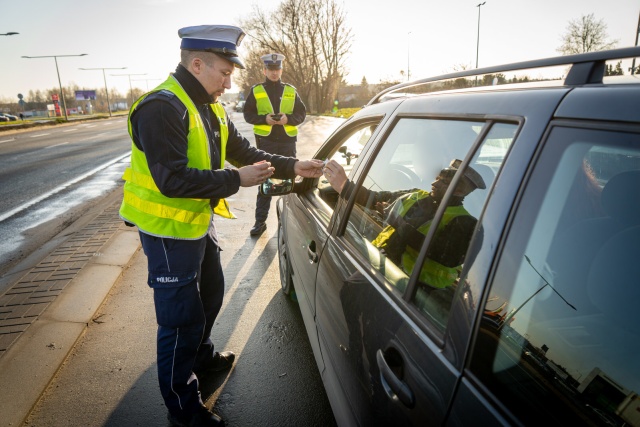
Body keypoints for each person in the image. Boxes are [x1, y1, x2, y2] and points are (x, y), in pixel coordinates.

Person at [119, 25, 323, 427]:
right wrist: (236, 180)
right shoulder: (162, 107)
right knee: (180, 320)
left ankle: (203, 356)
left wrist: (291, 165)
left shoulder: (208, 105)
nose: (230, 83)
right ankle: (184, 409)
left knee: (211, 295)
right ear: (197, 64)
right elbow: (171, 179)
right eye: (225, 73)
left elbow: (241, 149)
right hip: (166, 233)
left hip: (196, 223)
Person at [323, 158, 485, 288]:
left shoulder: (467, 223)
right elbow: (373, 198)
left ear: (459, 191)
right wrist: (344, 185)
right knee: (350, 290)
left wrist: (396, 222)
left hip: (418, 291)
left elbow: (445, 255)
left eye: (443, 182)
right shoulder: (415, 195)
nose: (434, 184)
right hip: (383, 266)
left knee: (351, 292)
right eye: (437, 179)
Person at [243, 53, 307, 236]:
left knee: (289, 181)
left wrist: (289, 119)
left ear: (281, 70)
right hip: (267, 142)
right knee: (265, 180)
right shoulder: (256, 90)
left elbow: (301, 114)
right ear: (264, 70)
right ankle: (260, 222)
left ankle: (293, 225)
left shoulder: (290, 90)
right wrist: (265, 119)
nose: (274, 72)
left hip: (287, 142)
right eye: (270, 69)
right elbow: (248, 115)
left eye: (277, 69)